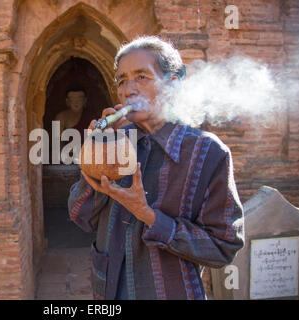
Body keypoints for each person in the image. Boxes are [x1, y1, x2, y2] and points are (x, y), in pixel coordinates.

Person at [68, 36, 244, 300]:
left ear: (172, 86)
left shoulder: (207, 153)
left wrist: (149, 215)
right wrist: (94, 157)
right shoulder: (115, 142)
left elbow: (224, 247)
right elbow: (81, 216)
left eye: (141, 77)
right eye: (122, 80)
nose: (128, 89)